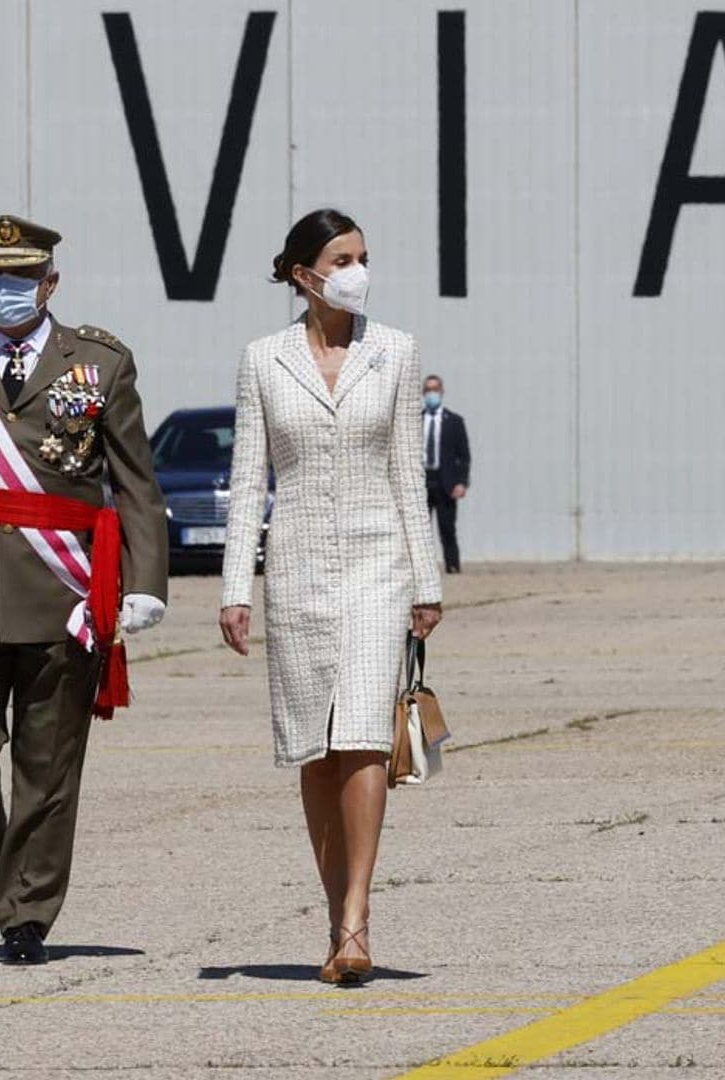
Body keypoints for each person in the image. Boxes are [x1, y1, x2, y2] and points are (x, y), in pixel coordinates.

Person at [0, 214, 169, 965]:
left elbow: (135, 484)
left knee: (48, 765)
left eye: (19, 278)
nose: (4, 291)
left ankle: (27, 913)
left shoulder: (101, 364)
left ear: (50, 282)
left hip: (63, 591)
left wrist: (145, 581)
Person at [219, 208, 444, 985]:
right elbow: (250, 478)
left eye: (364, 257)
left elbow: (408, 473)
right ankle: (332, 914)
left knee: (364, 737)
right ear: (301, 274)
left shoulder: (397, 350)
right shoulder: (262, 359)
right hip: (299, 568)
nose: (356, 271)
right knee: (315, 749)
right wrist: (233, 589)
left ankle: (357, 916)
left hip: (380, 564)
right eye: (341, 258)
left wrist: (427, 580)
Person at [422, 374, 470, 574]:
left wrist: (461, 482)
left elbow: (464, 455)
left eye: (435, 389)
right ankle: (422, 569)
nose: (431, 394)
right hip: (422, 480)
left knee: (447, 527)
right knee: (420, 531)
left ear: (441, 392)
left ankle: (452, 564)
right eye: (428, 390)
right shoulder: (416, 420)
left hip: (446, 481)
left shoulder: (454, 421)